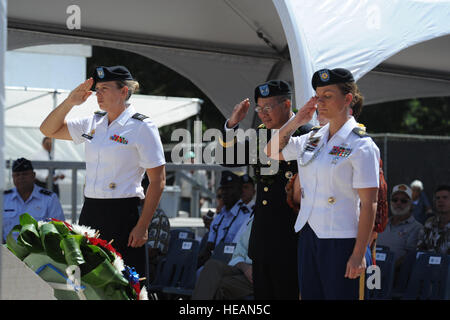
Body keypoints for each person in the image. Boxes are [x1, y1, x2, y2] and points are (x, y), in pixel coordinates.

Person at [39, 66, 166, 277]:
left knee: (126, 282)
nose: (98, 94)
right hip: (91, 209)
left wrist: (143, 225)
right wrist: (70, 102)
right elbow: (47, 130)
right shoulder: (93, 121)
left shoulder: (142, 126)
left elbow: (158, 180)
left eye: (105, 88)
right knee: (88, 280)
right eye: (97, 89)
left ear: (124, 92)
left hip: (123, 213)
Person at [265, 68, 380, 300]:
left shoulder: (362, 145)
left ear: (347, 99)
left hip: (342, 239)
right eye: (318, 95)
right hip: (310, 234)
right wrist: (298, 120)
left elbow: (370, 204)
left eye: (328, 95)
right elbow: (270, 151)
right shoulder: (315, 137)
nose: (320, 102)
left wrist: (358, 254)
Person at [218, 80, 312, 300]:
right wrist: (232, 124)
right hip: (263, 238)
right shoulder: (261, 135)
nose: (263, 114)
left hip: (291, 237)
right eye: (259, 109)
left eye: (268, 108)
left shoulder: (307, 134)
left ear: (287, 104)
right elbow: (228, 159)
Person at [3, 158, 65, 242]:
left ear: (33, 175)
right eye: (17, 175)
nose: (21, 178)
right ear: (12, 177)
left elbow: (59, 230)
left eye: (25, 174)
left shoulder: (49, 199)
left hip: (39, 252)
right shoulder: (4, 198)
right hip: (8, 251)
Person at [191, 217, 254, 300]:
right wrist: (245, 267)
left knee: (214, 285)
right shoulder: (255, 220)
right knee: (212, 265)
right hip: (244, 267)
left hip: (265, 275)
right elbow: (238, 253)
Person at [197, 171, 251, 267]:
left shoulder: (246, 216)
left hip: (232, 264)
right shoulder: (219, 217)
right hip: (214, 262)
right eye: (223, 189)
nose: (225, 192)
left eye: (230, 188)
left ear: (239, 191)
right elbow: (209, 246)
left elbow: (238, 249)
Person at [377, 184, 422, 268]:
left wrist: (389, 267)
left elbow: (409, 257)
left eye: (403, 201)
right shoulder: (381, 224)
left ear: (411, 205)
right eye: (395, 200)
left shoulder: (417, 228)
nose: (398, 203)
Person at [416, 185, 450, 255]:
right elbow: (419, 249)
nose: (440, 200)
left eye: (445, 197)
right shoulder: (429, 223)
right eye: (437, 198)